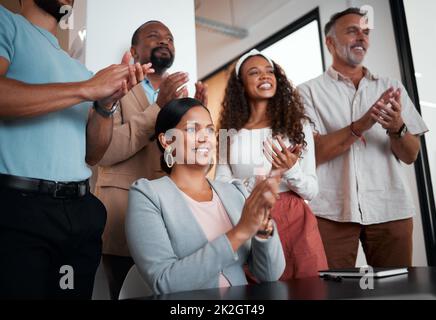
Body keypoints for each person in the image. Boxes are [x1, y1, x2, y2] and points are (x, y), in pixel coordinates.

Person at [0, 0, 151, 299]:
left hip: (79, 215)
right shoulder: (7, 22)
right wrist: (87, 89)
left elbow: (93, 154)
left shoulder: (81, 70)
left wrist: (106, 104)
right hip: (19, 211)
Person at [297, 8, 428, 268]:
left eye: (366, 32)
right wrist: (362, 124)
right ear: (330, 42)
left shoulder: (390, 87)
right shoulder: (307, 92)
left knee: (398, 292)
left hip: (391, 209)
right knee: (334, 291)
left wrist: (397, 127)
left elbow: (411, 155)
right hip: (331, 213)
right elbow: (314, 153)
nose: (362, 37)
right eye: (352, 31)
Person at [93, 20, 208, 299]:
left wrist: (198, 118)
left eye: (169, 38)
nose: (164, 41)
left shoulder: (182, 98)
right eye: (154, 36)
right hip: (121, 215)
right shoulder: (114, 85)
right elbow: (103, 151)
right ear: (134, 51)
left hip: (172, 219)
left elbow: (188, 165)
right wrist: (158, 109)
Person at [126, 98, 285, 295]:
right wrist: (240, 232)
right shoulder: (147, 195)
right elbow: (164, 283)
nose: (205, 138)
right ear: (166, 140)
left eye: (210, 130)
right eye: (192, 129)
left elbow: (269, 275)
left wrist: (263, 224)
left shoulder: (234, 192)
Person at [215, 49, 328, 280]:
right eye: (254, 73)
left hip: (296, 219)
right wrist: (258, 183)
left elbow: (312, 191)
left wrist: (291, 169)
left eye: (269, 71)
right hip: (250, 215)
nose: (265, 76)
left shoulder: (298, 125)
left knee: (308, 289)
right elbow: (220, 185)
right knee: (262, 287)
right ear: (241, 84)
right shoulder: (229, 133)